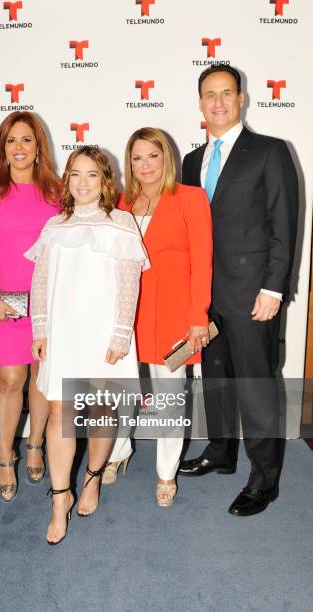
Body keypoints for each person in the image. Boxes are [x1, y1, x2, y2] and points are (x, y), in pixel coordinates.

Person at [179, 64, 298, 516]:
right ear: (200, 103)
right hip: (205, 298)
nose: (219, 102)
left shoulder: (269, 152)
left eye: (227, 93)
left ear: (242, 98)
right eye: (210, 94)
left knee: (255, 387)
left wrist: (273, 288)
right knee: (217, 380)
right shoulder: (192, 161)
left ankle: (264, 479)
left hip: (252, 296)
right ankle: (221, 452)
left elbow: (284, 226)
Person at [25, 147, 148, 544]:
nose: (82, 182)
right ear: (67, 180)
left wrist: (120, 335)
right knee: (61, 409)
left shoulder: (123, 224)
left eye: (91, 175)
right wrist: (40, 330)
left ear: (104, 180)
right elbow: (39, 283)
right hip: (63, 331)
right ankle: (60, 498)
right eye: (75, 174)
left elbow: (131, 286)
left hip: (102, 334)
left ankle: (93, 476)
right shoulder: (54, 225)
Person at [103, 128, 213, 506]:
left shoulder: (190, 198)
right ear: (128, 163)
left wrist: (197, 316)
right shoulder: (118, 202)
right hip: (127, 313)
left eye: (153, 156)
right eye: (137, 158)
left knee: (170, 397)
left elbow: (202, 261)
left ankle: (166, 473)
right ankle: (117, 452)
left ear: (166, 158)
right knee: (121, 389)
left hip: (173, 312)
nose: (145, 165)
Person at [0, 112, 61, 502]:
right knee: (10, 380)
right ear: (2, 148)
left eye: (26, 140)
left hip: (48, 299)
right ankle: (6, 457)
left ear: (39, 147)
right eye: (11, 141)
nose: (19, 148)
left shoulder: (56, 190)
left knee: (41, 375)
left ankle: (35, 443)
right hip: (4, 300)